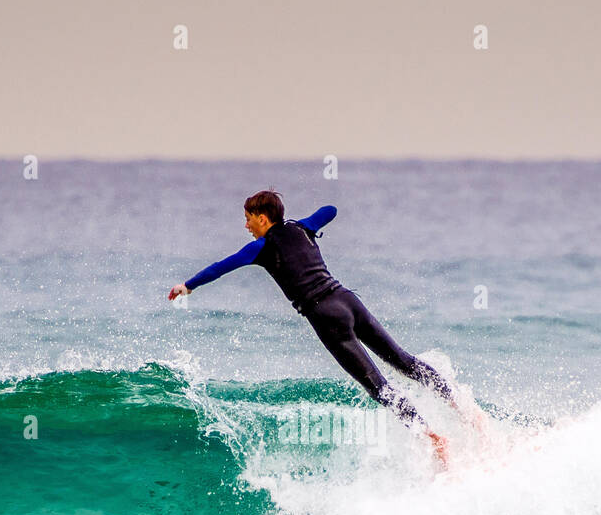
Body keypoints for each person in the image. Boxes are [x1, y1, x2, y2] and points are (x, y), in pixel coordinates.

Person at [169, 190, 456, 466]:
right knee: (403, 360)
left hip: (326, 315)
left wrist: (188, 286)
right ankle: (460, 407)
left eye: (248, 218)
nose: (246, 225)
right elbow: (330, 210)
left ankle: (433, 438)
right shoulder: (301, 228)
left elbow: (222, 266)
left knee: (378, 386)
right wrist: (305, 225)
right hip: (348, 300)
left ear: (263, 217)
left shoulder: (261, 247)